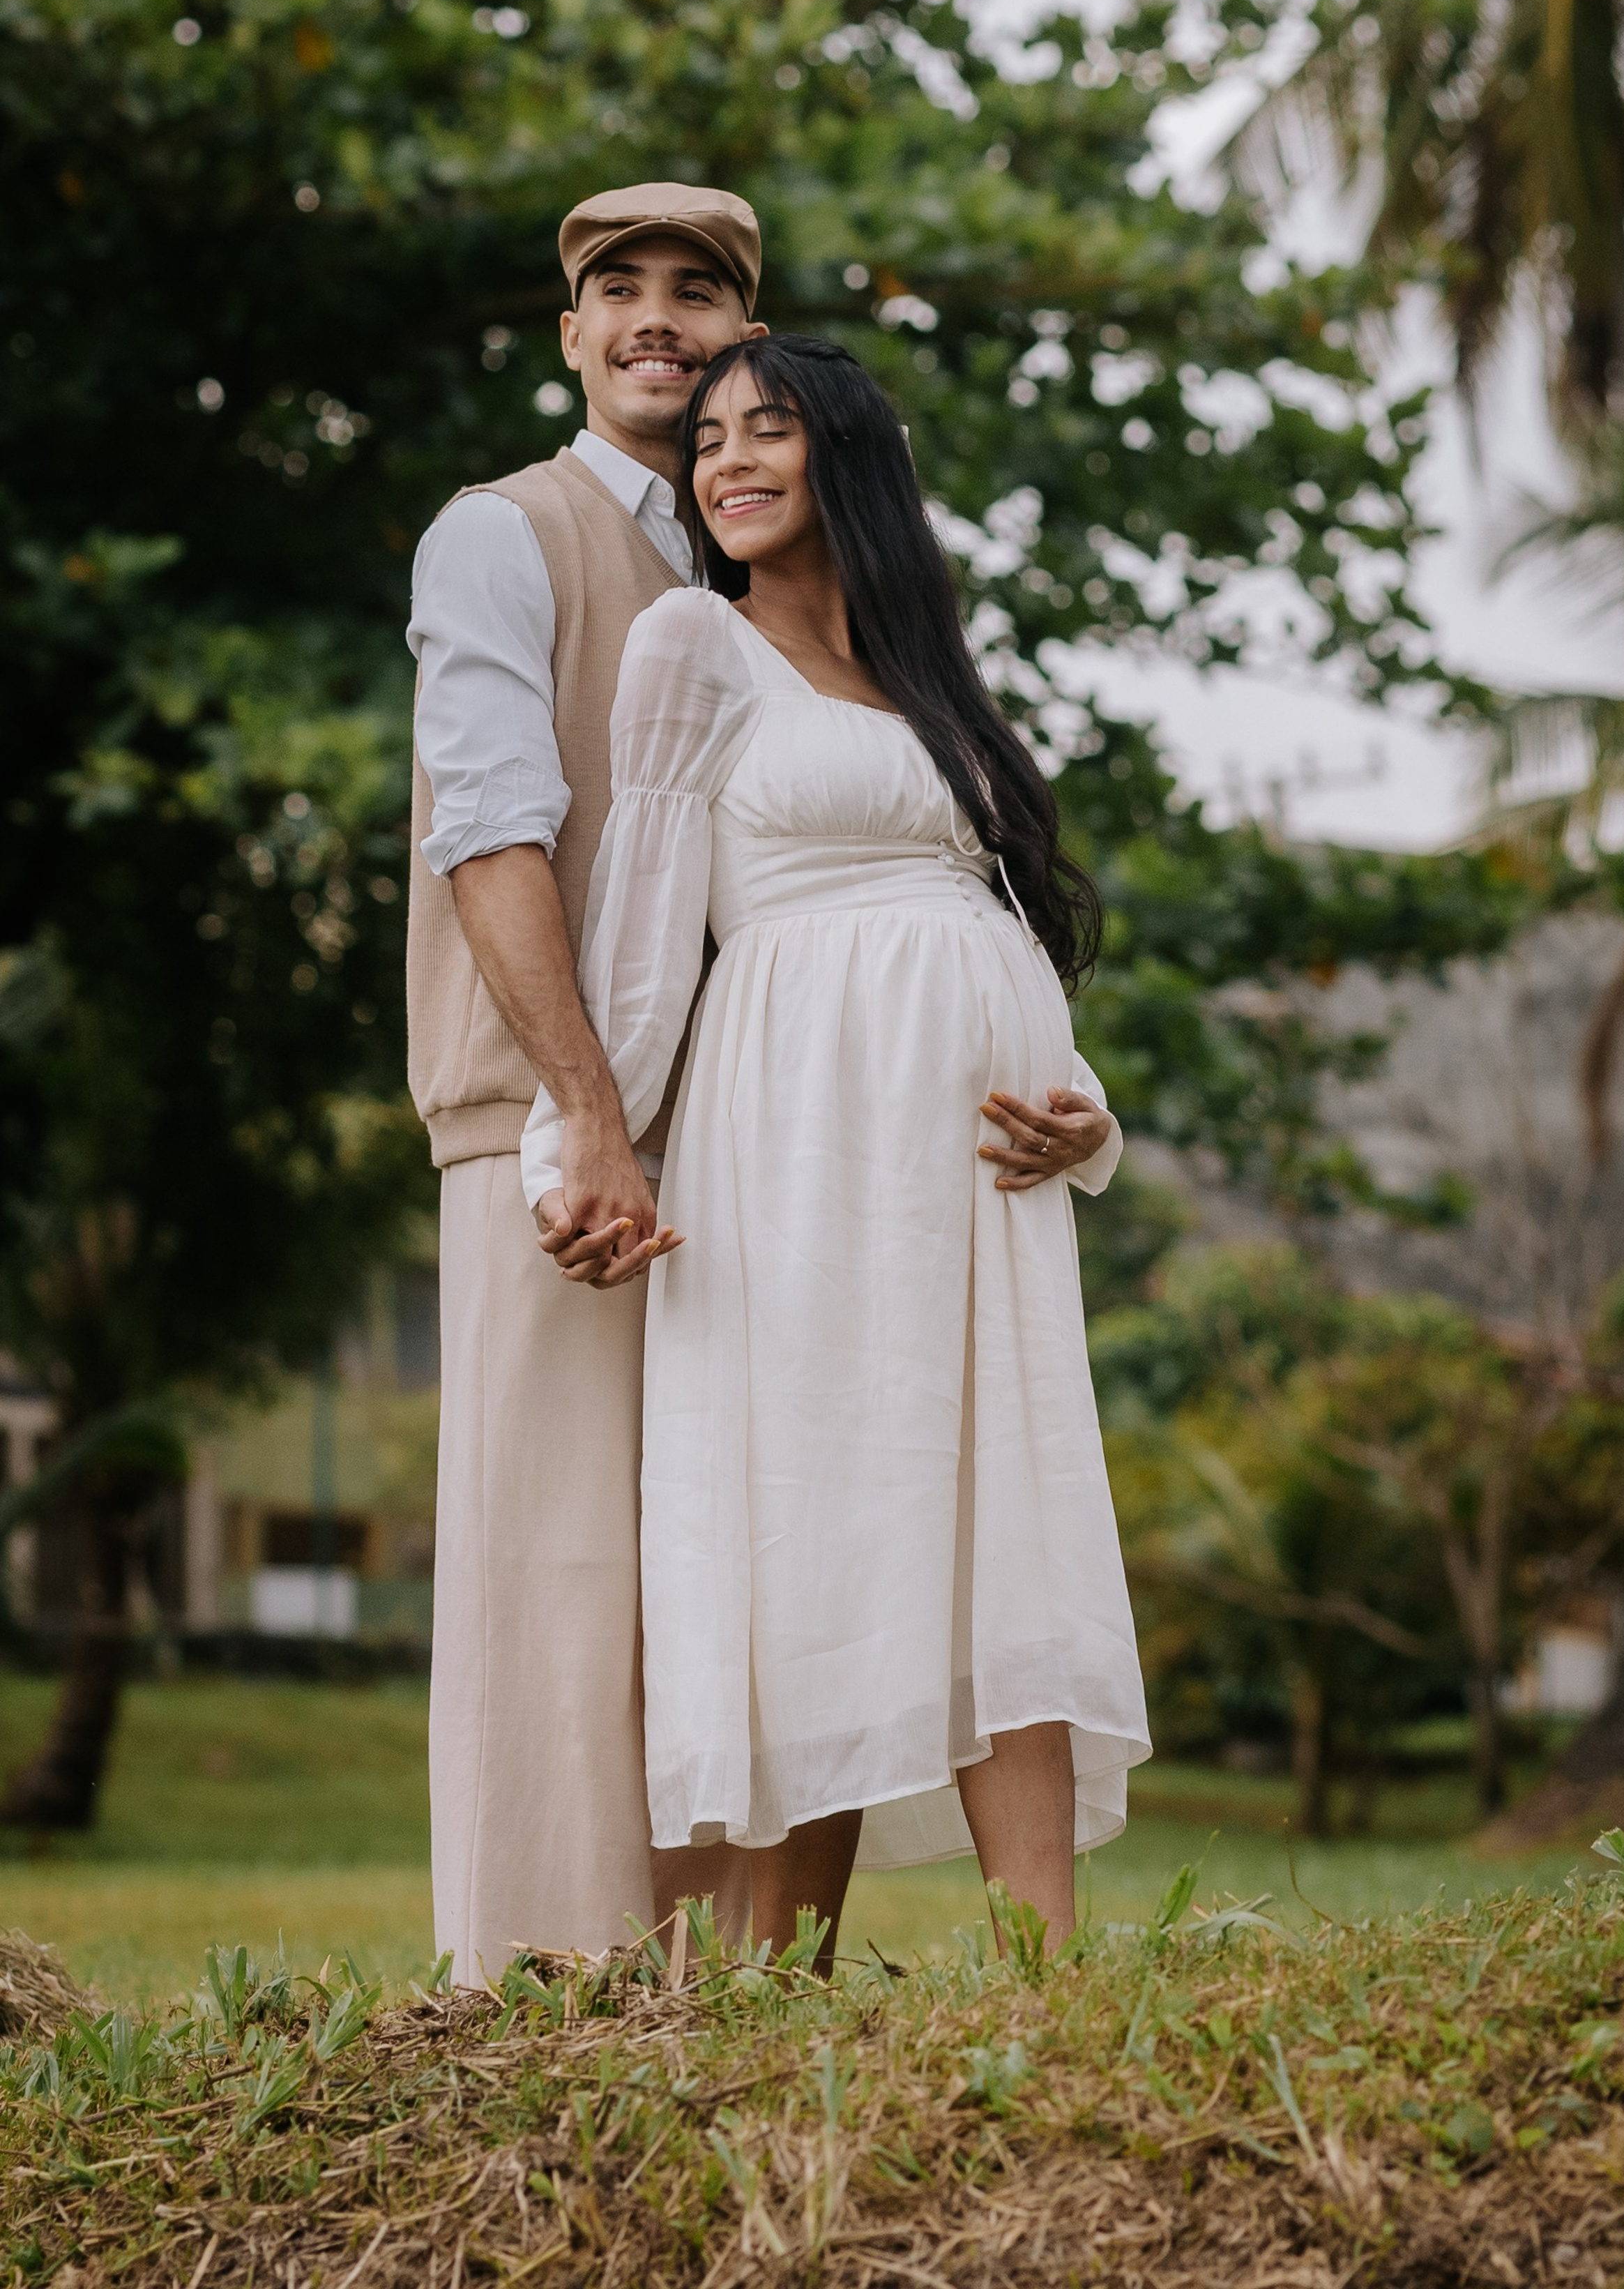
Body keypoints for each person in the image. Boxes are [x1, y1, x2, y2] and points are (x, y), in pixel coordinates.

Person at [522, 335, 1150, 1961]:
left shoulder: (930, 674)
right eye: (707, 439)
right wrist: (575, 1149)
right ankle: (763, 1988)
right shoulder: (690, 645)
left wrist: (1084, 1113)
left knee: (993, 1532)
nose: (726, 460)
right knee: (820, 1529)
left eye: (768, 431)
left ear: (847, 456)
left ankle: (1047, 1985)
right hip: (795, 1147)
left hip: (975, 1179)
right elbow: (645, 942)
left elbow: (989, 919)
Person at [406, 182, 766, 1986]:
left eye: (693, 291)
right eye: (616, 289)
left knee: (704, 1593)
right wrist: (595, 1122)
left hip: (741, 1161)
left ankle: (700, 2027)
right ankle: (536, 2030)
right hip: (558, 1149)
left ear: (740, 339)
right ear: (571, 337)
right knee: (553, 1597)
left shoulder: (766, 575)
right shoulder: (503, 534)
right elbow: (492, 834)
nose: (653, 317)